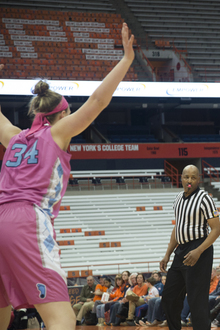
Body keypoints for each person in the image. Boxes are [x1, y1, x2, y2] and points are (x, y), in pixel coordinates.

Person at [0, 24, 134, 330]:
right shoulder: (57, 133)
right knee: (62, 318)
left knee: (1, 310)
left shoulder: (14, 137)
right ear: (61, 115)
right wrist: (126, 60)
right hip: (26, 220)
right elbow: (98, 102)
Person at [160, 164, 220, 330]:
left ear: (198, 179)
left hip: (199, 249)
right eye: (186, 177)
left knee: (196, 300)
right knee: (169, 297)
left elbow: (216, 230)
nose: (189, 180)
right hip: (181, 251)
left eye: (193, 177)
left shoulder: (204, 198)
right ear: (181, 178)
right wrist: (167, 254)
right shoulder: (178, 198)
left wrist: (199, 250)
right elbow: (177, 228)